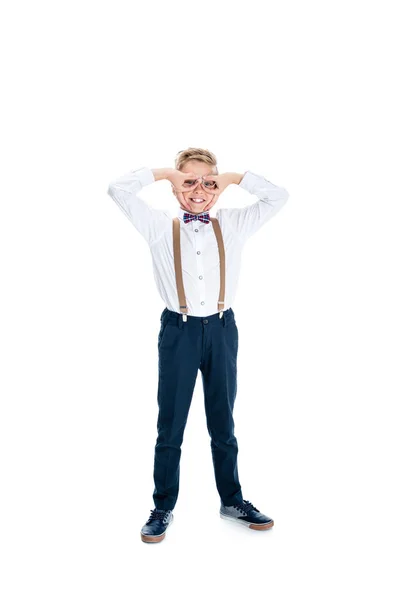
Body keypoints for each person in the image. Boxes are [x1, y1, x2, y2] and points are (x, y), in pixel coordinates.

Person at [107, 147, 289, 543]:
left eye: (208, 182)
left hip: (223, 329)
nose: (198, 190)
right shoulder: (158, 225)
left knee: (223, 423)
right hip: (179, 331)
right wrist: (165, 174)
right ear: (176, 189)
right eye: (188, 182)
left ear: (218, 188)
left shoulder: (234, 223)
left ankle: (232, 500)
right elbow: (117, 189)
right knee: (170, 425)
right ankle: (163, 507)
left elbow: (279, 196)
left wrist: (234, 178)